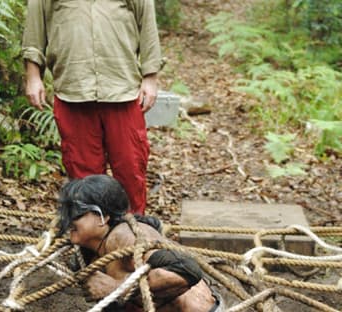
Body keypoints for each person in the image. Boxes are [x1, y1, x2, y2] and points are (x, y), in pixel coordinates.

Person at [22, 0, 162, 215]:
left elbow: (148, 27)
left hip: (122, 89)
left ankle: (134, 236)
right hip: (73, 90)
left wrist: (150, 77)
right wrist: (33, 76)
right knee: (83, 176)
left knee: (130, 168)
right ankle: (91, 241)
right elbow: (34, 30)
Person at [57, 175, 223, 311]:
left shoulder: (123, 236)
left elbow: (186, 269)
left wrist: (116, 287)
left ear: (103, 217)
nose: (69, 221)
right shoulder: (90, 252)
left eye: (77, 214)